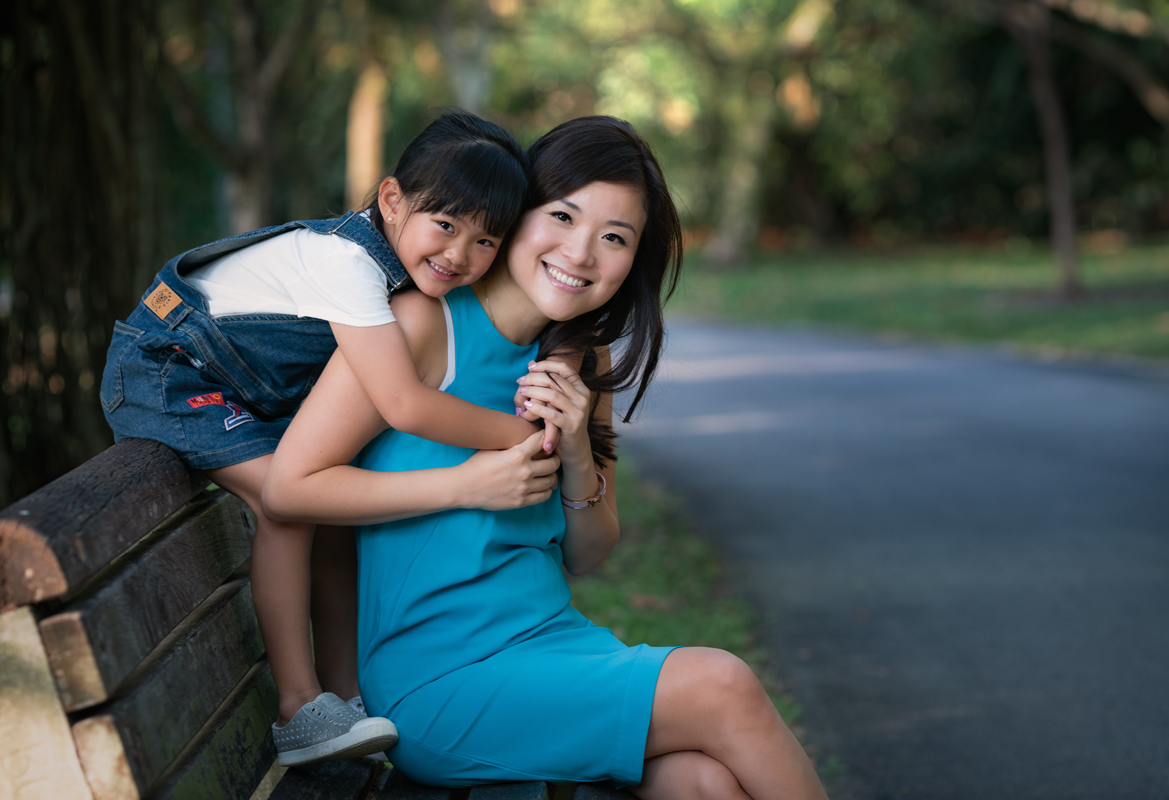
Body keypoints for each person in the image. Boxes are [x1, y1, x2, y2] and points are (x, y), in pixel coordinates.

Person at [264, 116, 828, 799]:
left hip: (552, 641)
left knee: (702, 783)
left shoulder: (581, 361)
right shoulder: (416, 329)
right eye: (562, 216)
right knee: (721, 684)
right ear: (516, 214)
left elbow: (588, 553)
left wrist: (577, 457)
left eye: (614, 238)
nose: (582, 253)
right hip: (438, 677)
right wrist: (464, 485)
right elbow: (292, 487)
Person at [98, 111, 546, 766]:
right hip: (168, 369)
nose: (459, 255)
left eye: (486, 242)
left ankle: (345, 700)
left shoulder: (396, 269)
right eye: (445, 225)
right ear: (392, 199)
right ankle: (300, 710)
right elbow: (403, 404)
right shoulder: (347, 263)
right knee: (294, 506)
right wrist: (523, 437)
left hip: (235, 387)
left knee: (336, 515)